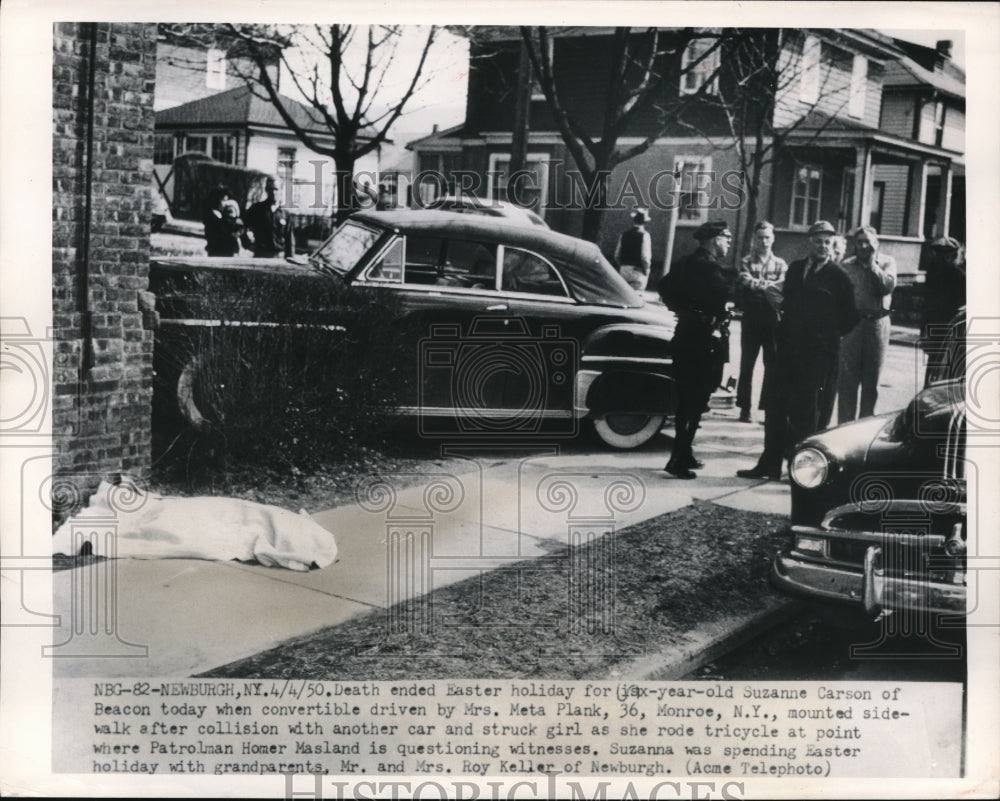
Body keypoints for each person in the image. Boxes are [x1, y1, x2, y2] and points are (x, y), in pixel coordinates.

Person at [738, 220, 858, 480]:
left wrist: (824, 335)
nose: (822, 246)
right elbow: (785, 301)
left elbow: (850, 317)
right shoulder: (795, 269)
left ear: (832, 244)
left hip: (817, 357)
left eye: (827, 242)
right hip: (788, 352)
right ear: (810, 242)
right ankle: (769, 464)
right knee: (775, 408)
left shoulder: (839, 277)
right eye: (818, 241)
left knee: (806, 415)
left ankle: (802, 471)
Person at [658, 220, 736, 479]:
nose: (728, 242)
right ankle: (677, 460)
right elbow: (724, 297)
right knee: (696, 400)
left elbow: (664, 288)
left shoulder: (685, 263)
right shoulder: (710, 269)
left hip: (686, 337)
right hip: (705, 342)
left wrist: (683, 310)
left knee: (687, 400)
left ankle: (684, 452)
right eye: (726, 238)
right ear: (715, 240)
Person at [837, 226, 897, 422]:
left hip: (877, 325)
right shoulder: (847, 265)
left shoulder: (887, 263)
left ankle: (864, 429)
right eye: (859, 242)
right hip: (852, 324)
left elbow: (886, 288)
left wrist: (872, 265)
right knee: (847, 381)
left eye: (868, 242)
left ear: (876, 244)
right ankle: (844, 428)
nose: (863, 246)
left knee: (871, 382)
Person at [734, 221, 787, 423]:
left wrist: (760, 287)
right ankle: (744, 408)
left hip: (773, 318)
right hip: (752, 318)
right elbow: (744, 280)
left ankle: (768, 409)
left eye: (767, 237)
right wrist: (768, 287)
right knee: (747, 364)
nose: (764, 241)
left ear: (773, 239)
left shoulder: (781, 264)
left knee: (772, 365)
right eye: (760, 237)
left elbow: (783, 287)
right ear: (754, 240)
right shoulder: (746, 261)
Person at [920, 236, 966, 384]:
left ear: (954, 255)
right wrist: (924, 332)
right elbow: (927, 306)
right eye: (939, 253)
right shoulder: (933, 275)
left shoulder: (960, 277)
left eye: (946, 253)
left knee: (949, 372)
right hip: (935, 328)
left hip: (952, 330)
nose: (942, 257)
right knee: (933, 371)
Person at [245, 176, 295, 258]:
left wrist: (290, 258)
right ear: (266, 190)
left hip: (279, 256)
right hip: (260, 255)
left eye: (276, 189)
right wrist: (248, 242)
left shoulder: (285, 214)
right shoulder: (257, 209)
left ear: (281, 190)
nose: (273, 192)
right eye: (270, 189)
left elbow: (290, 240)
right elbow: (242, 225)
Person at [614, 208, 653, 291]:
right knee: (636, 298)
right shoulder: (645, 235)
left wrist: (622, 266)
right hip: (637, 271)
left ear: (634, 220)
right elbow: (645, 258)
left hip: (623, 270)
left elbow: (617, 255)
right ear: (645, 222)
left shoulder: (624, 235)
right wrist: (646, 271)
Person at [202, 187, 243, 257]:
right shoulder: (213, 215)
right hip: (217, 249)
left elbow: (238, 227)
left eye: (227, 200)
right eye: (223, 200)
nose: (226, 203)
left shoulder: (225, 215)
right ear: (216, 200)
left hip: (229, 250)